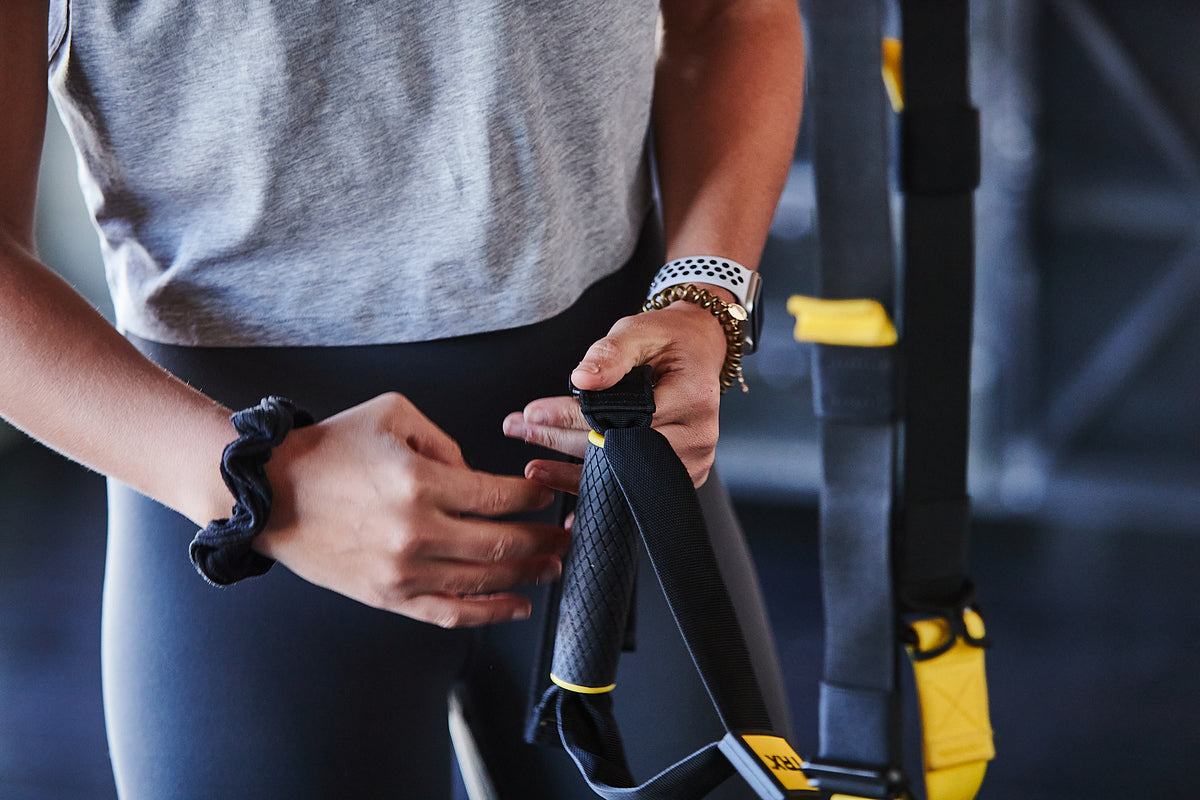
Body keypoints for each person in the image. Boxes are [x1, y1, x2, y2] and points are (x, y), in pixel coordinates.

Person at [1, 0, 805, 797]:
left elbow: (726, 20)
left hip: (614, 464)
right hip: (248, 506)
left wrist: (704, 301)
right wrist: (259, 487)